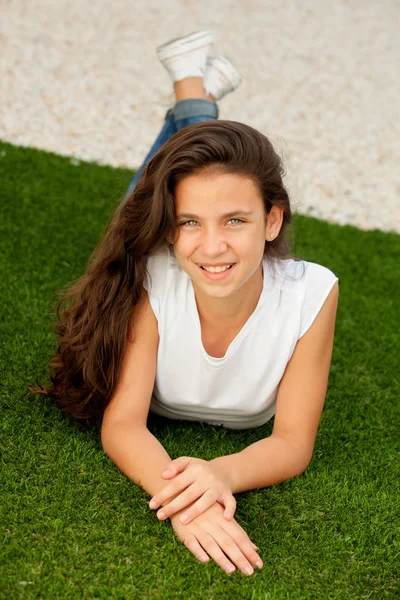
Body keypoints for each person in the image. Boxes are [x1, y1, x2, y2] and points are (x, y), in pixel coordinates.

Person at [27, 31, 339, 577]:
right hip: (149, 248)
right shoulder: (151, 269)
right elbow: (122, 423)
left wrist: (219, 475)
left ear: (273, 220)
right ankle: (195, 95)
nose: (212, 245)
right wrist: (183, 500)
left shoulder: (313, 292)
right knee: (161, 188)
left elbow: (293, 440)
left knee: (200, 181)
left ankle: (195, 94)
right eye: (188, 223)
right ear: (171, 232)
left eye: (237, 221)